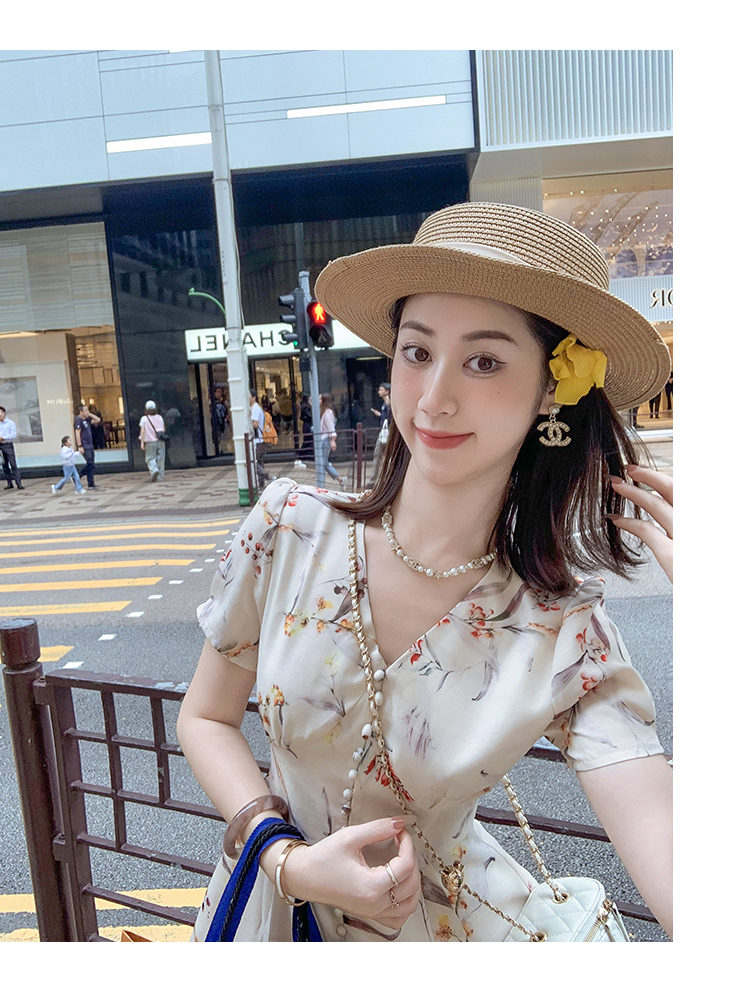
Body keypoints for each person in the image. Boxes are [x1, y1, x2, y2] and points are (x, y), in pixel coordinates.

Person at [178, 201, 673, 943]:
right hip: (264, 909)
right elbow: (207, 717)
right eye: (416, 352)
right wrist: (285, 859)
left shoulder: (565, 633)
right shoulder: (287, 529)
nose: (434, 397)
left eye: (484, 361)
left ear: (551, 390)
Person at [319, 393, 347, 489]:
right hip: (324, 439)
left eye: (320, 399)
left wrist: (332, 440)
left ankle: (321, 484)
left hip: (325, 439)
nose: (318, 401)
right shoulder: (326, 412)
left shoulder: (327, 413)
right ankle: (340, 479)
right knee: (324, 463)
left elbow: (331, 428)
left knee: (322, 463)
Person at [367, 382, 392, 486]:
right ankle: (374, 480)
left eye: (381, 390)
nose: (379, 392)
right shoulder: (384, 404)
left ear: (387, 391)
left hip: (389, 432)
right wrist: (380, 415)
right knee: (378, 455)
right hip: (384, 431)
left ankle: (387, 479)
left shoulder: (390, 402)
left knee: (387, 456)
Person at [74, 403, 101, 489]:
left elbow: (98, 420)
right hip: (84, 445)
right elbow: (77, 433)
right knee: (90, 463)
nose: (87, 412)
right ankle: (78, 474)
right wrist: (79, 445)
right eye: (85, 410)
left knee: (92, 465)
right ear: (81, 412)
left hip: (90, 444)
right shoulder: (78, 420)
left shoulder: (87, 420)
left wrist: (90, 414)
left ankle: (91, 484)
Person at [139, 400, 167, 482]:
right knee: (161, 459)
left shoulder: (144, 419)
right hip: (160, 441)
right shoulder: (160, 417)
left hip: (150, 442)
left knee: (150, 458)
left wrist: (142, 442)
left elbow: (143, 431)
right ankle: (160, 477)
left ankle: (154, 470)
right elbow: (163, 429)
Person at [250, 389, 271, 487]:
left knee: (253, 461)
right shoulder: (256, 408)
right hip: (260, 439)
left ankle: (266, 475)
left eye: (249, 396)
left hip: (258, 439)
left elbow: (255, 424)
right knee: (259, 461)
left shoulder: (255, 408)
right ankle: (261, 483)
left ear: (254, 397)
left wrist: (247, 424)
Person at [0, 406, 25, 490]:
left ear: (4, 413)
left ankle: (19, 483)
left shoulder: (10, 423)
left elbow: (13, 435)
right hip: (0, 445)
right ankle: (9, 483)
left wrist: (3, 438)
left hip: (7, 445)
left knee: (13, 464)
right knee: (4, 465)